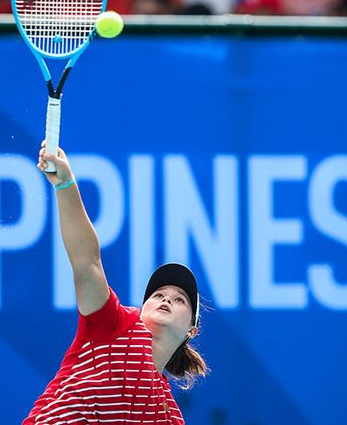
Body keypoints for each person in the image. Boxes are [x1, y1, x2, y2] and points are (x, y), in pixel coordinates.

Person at [23, 143, 208, 424]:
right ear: (141, 309)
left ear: (191, 331)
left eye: (180, 299)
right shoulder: (116, 324)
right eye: (158, 294)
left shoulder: (167, 417)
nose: (166, 299)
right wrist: (65, 184)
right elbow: (87, 261)